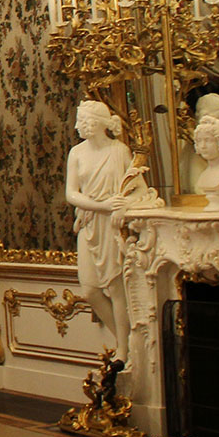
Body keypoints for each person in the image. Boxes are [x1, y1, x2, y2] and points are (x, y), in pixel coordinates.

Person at [66, 100, 139, 362]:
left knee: (116, 289)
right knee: (90, 290)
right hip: (89, 223)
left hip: (112, 226)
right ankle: (125, 341)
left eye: (83, 121)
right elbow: (71, 193)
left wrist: (123, 204)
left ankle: (124, 350)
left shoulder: (120, 152)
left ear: (97, 123)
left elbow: (137, 189)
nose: (77, 126)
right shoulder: (76, 153)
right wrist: (101, 205)